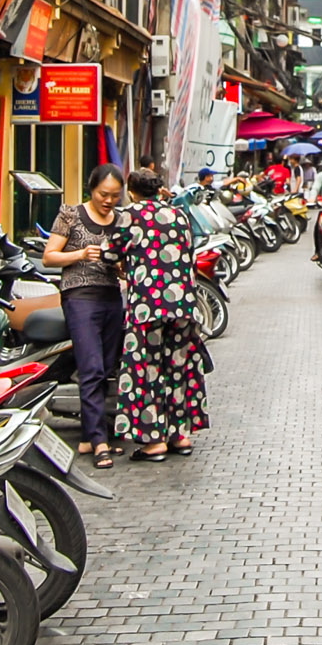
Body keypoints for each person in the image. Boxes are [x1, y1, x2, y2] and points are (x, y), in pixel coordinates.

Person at [113, 167, 208, 461]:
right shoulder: (178, 214)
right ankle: (181, 434)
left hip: (147, 305)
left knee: (147, 370)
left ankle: (154, 441)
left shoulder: (130, 214)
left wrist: (124, 266)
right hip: (183, 302)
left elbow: (110, 253)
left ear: (132, 191)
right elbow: (189, 250)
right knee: (179, 369)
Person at [42, 164, 127, 469]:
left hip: (111, 297)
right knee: (90, 367)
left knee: (105, 368)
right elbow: (49, 256)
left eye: (115, 196)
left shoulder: (120, 220)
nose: (109, 201)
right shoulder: (71, 214)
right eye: (104, 194)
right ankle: (99, 441)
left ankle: (91, 437)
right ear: (91, 189)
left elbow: (124, 260)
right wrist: (81, 253)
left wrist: (120, 267)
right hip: (79, 297)